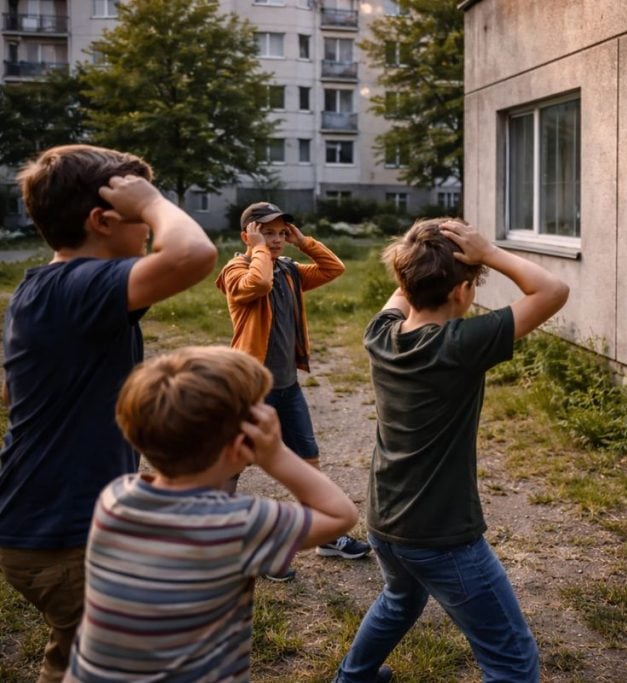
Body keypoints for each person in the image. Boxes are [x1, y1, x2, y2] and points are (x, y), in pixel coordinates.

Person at [0, 144, 218, 682]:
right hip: (61, 534)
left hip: (46, 518)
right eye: (139, 220)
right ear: (101, 220)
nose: (148, 230)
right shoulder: (78, 287)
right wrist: (154, 200)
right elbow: (193, 254)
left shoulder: (48, 289)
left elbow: (14, 391)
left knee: (78, 657)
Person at [333, 218, 570, 683]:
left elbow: (405, 290)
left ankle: (352, 678)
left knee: (400, 601)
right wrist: (489, 253)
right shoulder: (460, 344)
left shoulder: (380, 334)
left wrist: (421, 243)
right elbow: (553, 291)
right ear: (463, 292)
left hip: (385, 521)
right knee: (513, 663)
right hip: (441, 536)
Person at [64, 346, 360, 681]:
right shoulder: (235, 525)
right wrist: (275, 454)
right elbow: (341, 515)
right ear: (240, 446)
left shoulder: (114, 499)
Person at [215, 201, 370, 575]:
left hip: (287, 386)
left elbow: (334, 268)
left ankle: (325, 536)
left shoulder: (288, 270)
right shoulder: (236, 270)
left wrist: (304, 242)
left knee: (308, 460)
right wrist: (257, 251)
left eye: (281, 232)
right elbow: (258, 283)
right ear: (248, 235)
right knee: (232, 464)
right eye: (267, 232)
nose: (277, 239)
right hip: (251, 387)